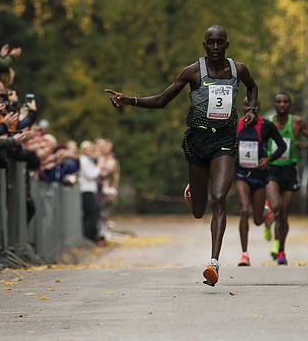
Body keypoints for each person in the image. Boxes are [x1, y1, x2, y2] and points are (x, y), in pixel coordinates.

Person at [105, 25, 259, 287]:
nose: (215, 47)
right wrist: (131, 100)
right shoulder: (192, 71)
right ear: (204, 45)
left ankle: (214, 263)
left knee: (219, 198)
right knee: (199, 211)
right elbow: (163, 100)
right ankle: (193, 190)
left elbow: (253, 88)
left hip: (224, 139)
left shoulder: (238, 70)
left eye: (220, 43)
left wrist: (253, 109)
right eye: (210, 43)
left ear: (227, 45)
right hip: (198, 141)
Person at [234, 98, 286, 266]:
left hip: (260, 176)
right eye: (246, 104)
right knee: (243, 210)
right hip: (241, 174)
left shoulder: (266, 126)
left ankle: (266, 214)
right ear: (242, 107)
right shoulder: (236, 124)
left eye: (254, 105)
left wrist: (269, 159)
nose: (250, 108)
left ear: (259, 107)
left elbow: (282, 146)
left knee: (257, 220)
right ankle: (244, 254)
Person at [266, 92, 308, 265]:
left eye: (285, 101)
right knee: (277, 207)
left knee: (284, 215)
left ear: (290, 104)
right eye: (279, 101)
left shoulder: (297, 122)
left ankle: (281, 250)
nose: (282, 104)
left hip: (289, 169)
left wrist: (305, 145)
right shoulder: (268, 122)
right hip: (272, 168)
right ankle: (269, 215)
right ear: (275, 104)